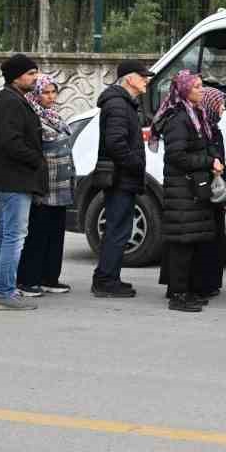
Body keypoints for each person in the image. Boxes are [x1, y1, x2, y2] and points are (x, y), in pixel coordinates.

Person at [0, 53, 48, 311]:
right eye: (31, 73)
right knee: (13, 236)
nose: (35, 78)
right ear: (15, 77)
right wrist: (37, 160)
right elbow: (11, 142)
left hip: (11, 178)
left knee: (4, 235)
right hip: (15, 179)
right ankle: (4, 293)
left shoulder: (11, 98)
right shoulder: (11, 101)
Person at [151, 71, 218, 313]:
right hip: (183, 189)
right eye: (197, 86)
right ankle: (178, 295)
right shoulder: (179, 118)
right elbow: (177, 156)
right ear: (185, 91)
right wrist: (208, 161)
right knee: (182, 244)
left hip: (191, 188)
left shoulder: (195, 114)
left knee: (190, 243)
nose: (202, 90)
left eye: (202, 86)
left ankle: (185, 291)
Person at [92, 60, 151, 298]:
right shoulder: (117, 104)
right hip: (120, 177)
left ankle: (109, 277)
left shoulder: (124, 103)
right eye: (142, 76)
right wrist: (135, 164)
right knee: (117, 229)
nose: (147, 80)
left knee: (120, 229)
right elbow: (116, 143)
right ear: (128, 78)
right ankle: (105, 281)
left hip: (123, 176)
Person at [18, 76, 74, 298]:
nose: (51, 96)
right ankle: (28, 280)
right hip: (44, 185)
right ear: (36, 94)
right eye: (46, 92)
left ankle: (50, 278)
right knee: (37, 234)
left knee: (55, 234)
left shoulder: (55, 116)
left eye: (53, 92)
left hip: (61, 186)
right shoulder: (32, 118)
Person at [193, 86, 226, 300]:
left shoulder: (214, 128)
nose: (223, 108)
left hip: (216, 189)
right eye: (219, 104)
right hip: (206, 190)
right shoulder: (202, 129)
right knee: (207, 239)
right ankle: (203, 283)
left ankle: (212, 282)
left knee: (216, 238)